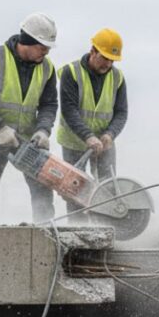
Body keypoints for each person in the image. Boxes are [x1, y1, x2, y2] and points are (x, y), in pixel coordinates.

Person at [0, 13, 58, 223]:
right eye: (43, 46)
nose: (46, 51)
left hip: (28, 140)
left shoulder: (47, 68)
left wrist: (43, 129)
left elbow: (49, 104)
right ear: (27, 41)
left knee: (43, 189)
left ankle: (47, 234)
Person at [56, 28, 128, 219]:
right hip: (73, 142)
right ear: (93, 51)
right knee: (74, 192)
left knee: (108, 189)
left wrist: (110, 134)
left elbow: (121, 112)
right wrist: (88, 136)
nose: (108, 63)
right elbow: (69, 110)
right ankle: (78, 232)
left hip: (104, 143)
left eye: (112, 60)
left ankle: (106, 226)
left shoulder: (117, 78)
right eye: (104, 57)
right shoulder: (71, 73)